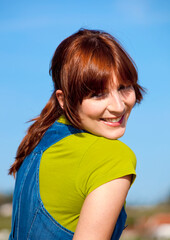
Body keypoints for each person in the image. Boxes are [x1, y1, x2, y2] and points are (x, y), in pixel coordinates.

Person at [9, 29, 144, 240]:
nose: (118, 107)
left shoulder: (35, 144)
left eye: (124, 87)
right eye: (98, 94)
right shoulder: (112, 157)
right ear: (63, 99)